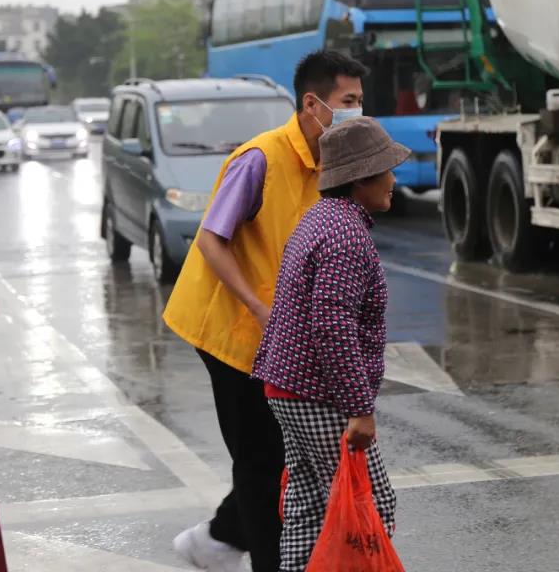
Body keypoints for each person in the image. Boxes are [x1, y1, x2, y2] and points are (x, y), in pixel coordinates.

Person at [164, 50, 369, 572]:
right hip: (230, 329)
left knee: (286, 453)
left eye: (360, 101)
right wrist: (258, 306)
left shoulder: (333, 164)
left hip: (280, 335)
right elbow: (211, 240)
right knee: (260, 458)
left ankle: (216, 539)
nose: (356, 110)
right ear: (312, 103)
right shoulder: (259, 159)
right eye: (348, 101)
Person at [252, 117, 408, 572]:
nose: (393, 181)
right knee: (370, 505)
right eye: (387, 170)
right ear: (361, 178)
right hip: (317, 393)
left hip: (286, 389)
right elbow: (333, 325)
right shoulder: (345, 236)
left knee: (307, 508)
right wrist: (360, 409)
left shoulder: (320, 219)